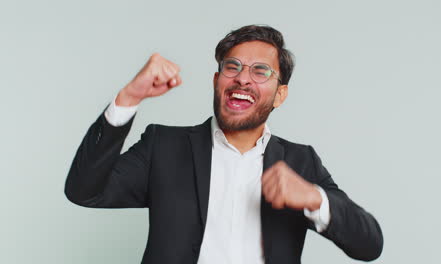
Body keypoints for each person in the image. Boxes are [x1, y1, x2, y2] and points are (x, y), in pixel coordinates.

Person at [65, 25, 383, 264]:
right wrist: (129, 98)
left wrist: (314, 198)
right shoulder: (163, 147)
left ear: (280, 94)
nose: (243, 79)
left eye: (260, 71)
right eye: (232, 67)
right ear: (217, 82)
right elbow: (84, 191)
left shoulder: (300, 162)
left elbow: (369, 245)